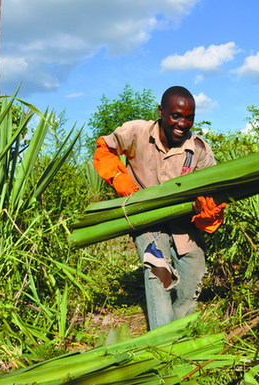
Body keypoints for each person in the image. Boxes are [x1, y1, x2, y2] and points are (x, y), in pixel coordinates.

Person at [93, 85, 226, 330]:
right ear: (161, 112)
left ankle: (178, 331)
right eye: (176, 115)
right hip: (147, 221)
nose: (182, 123)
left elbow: (213, 195)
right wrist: (121, 181)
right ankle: (162, 343)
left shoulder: (198, 150)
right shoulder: (136, 132)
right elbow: (104, 149)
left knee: (192, 278)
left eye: (189, 118)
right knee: (158, 271)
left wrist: (207, 208)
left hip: (182, 223)